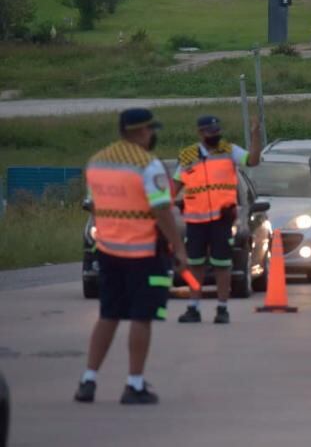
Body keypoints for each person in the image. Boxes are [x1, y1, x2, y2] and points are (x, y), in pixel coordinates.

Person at [75, 108, 188, 405]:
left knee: (108, 315)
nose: (153, 135)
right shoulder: (148, 166)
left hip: (109, 252)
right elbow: (161, 210)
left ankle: (88, 380)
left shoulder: (97, 162)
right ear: (140, 132)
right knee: (142, 317)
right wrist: (179, 248)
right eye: (151, 130)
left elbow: (96, 207)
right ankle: (134, 384)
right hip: (143, 253)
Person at [173, 115, 261, 324]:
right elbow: (174, 187)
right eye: (210, 132)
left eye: (217, 131)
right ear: (200, 133)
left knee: (222, 264)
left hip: (222, 219)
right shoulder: (187, 156)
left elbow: (253, 160)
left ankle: (222, 308)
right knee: (195, 265)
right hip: (195, 221)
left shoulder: (229, 151)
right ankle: (193, 308)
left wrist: (255, 135)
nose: (215, 135)